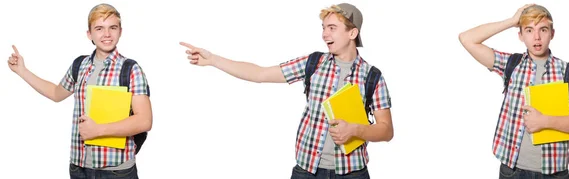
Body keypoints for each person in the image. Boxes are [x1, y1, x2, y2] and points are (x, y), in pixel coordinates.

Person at [180, 3, 392, 179]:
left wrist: (355, 130)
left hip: (352, 174)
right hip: (307, 171)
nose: (324, 34)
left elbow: (386, 130)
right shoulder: (314, 63)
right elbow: (259, 74)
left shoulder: (372, 77)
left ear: (352, 32)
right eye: (323, 27)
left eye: (332, 28)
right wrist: (214, 60)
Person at [7, 3, 152, 179]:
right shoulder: (80, 65)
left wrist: (98, 130)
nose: (107, 34)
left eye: (112, 27)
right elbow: (55, 93)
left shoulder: (130, 69)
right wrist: (22, 71)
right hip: (79, 168)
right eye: (99, 28)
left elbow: (144, 120)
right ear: (89, 34)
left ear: (120, 31)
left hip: (116, 171)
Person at [459, 4, 569, 179]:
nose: (536, 37)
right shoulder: (511, 64)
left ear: (552, 33)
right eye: (529, 30)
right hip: (512, 171)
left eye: (543, 30)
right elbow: (467, 38)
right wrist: (511, 21)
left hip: (554, 173)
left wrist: (544, 121)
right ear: (520, 35)